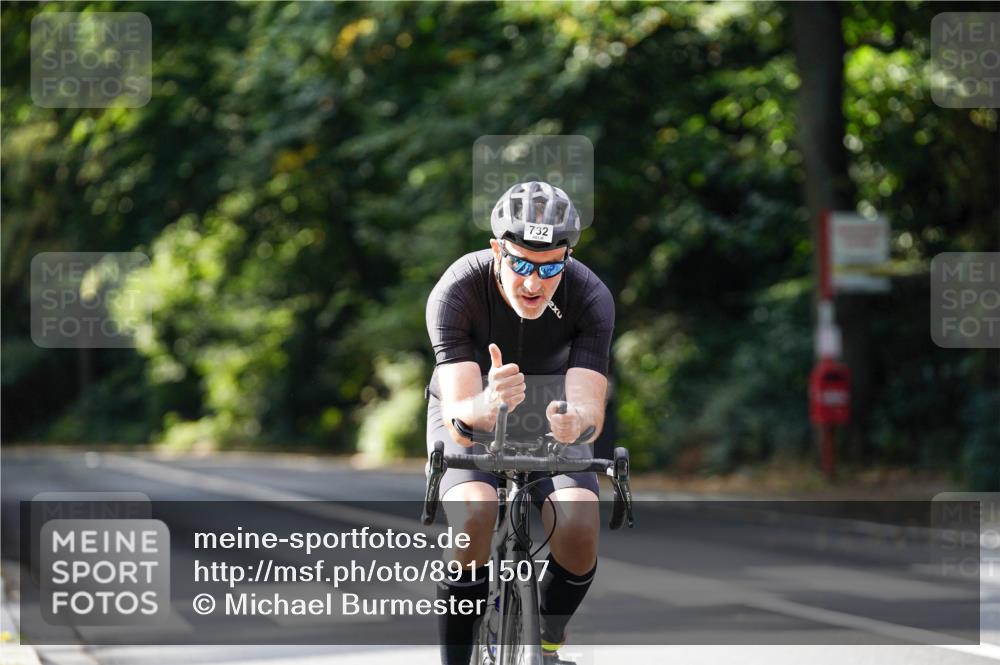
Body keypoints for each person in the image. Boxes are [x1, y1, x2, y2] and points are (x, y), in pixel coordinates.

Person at [425, 181, 614, 664]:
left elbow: (589, 409)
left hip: (553, 412)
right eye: (521, 264)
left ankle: (547, 643)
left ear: (567, 258)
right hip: (472, 401)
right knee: (473, 517)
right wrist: (485, 403)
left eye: (551, 266)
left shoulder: (590, 296)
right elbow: (460, 410)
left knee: (578, 525)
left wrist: (575, 424)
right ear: (496, 250)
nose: (534, 283)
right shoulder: (458, 289)